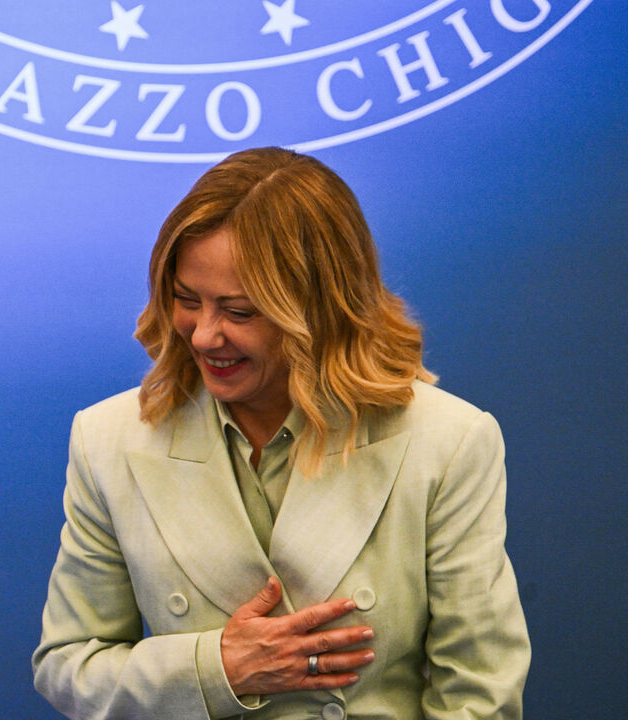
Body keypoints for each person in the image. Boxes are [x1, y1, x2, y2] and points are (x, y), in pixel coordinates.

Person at [32, 147, 529, 719]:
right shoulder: (108, 440)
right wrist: (219, 668)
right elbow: (68, 667)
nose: (203, 336)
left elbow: (479, 692)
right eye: (187, 301)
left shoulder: (448, 441)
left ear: (322, 309)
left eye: (240, 312)